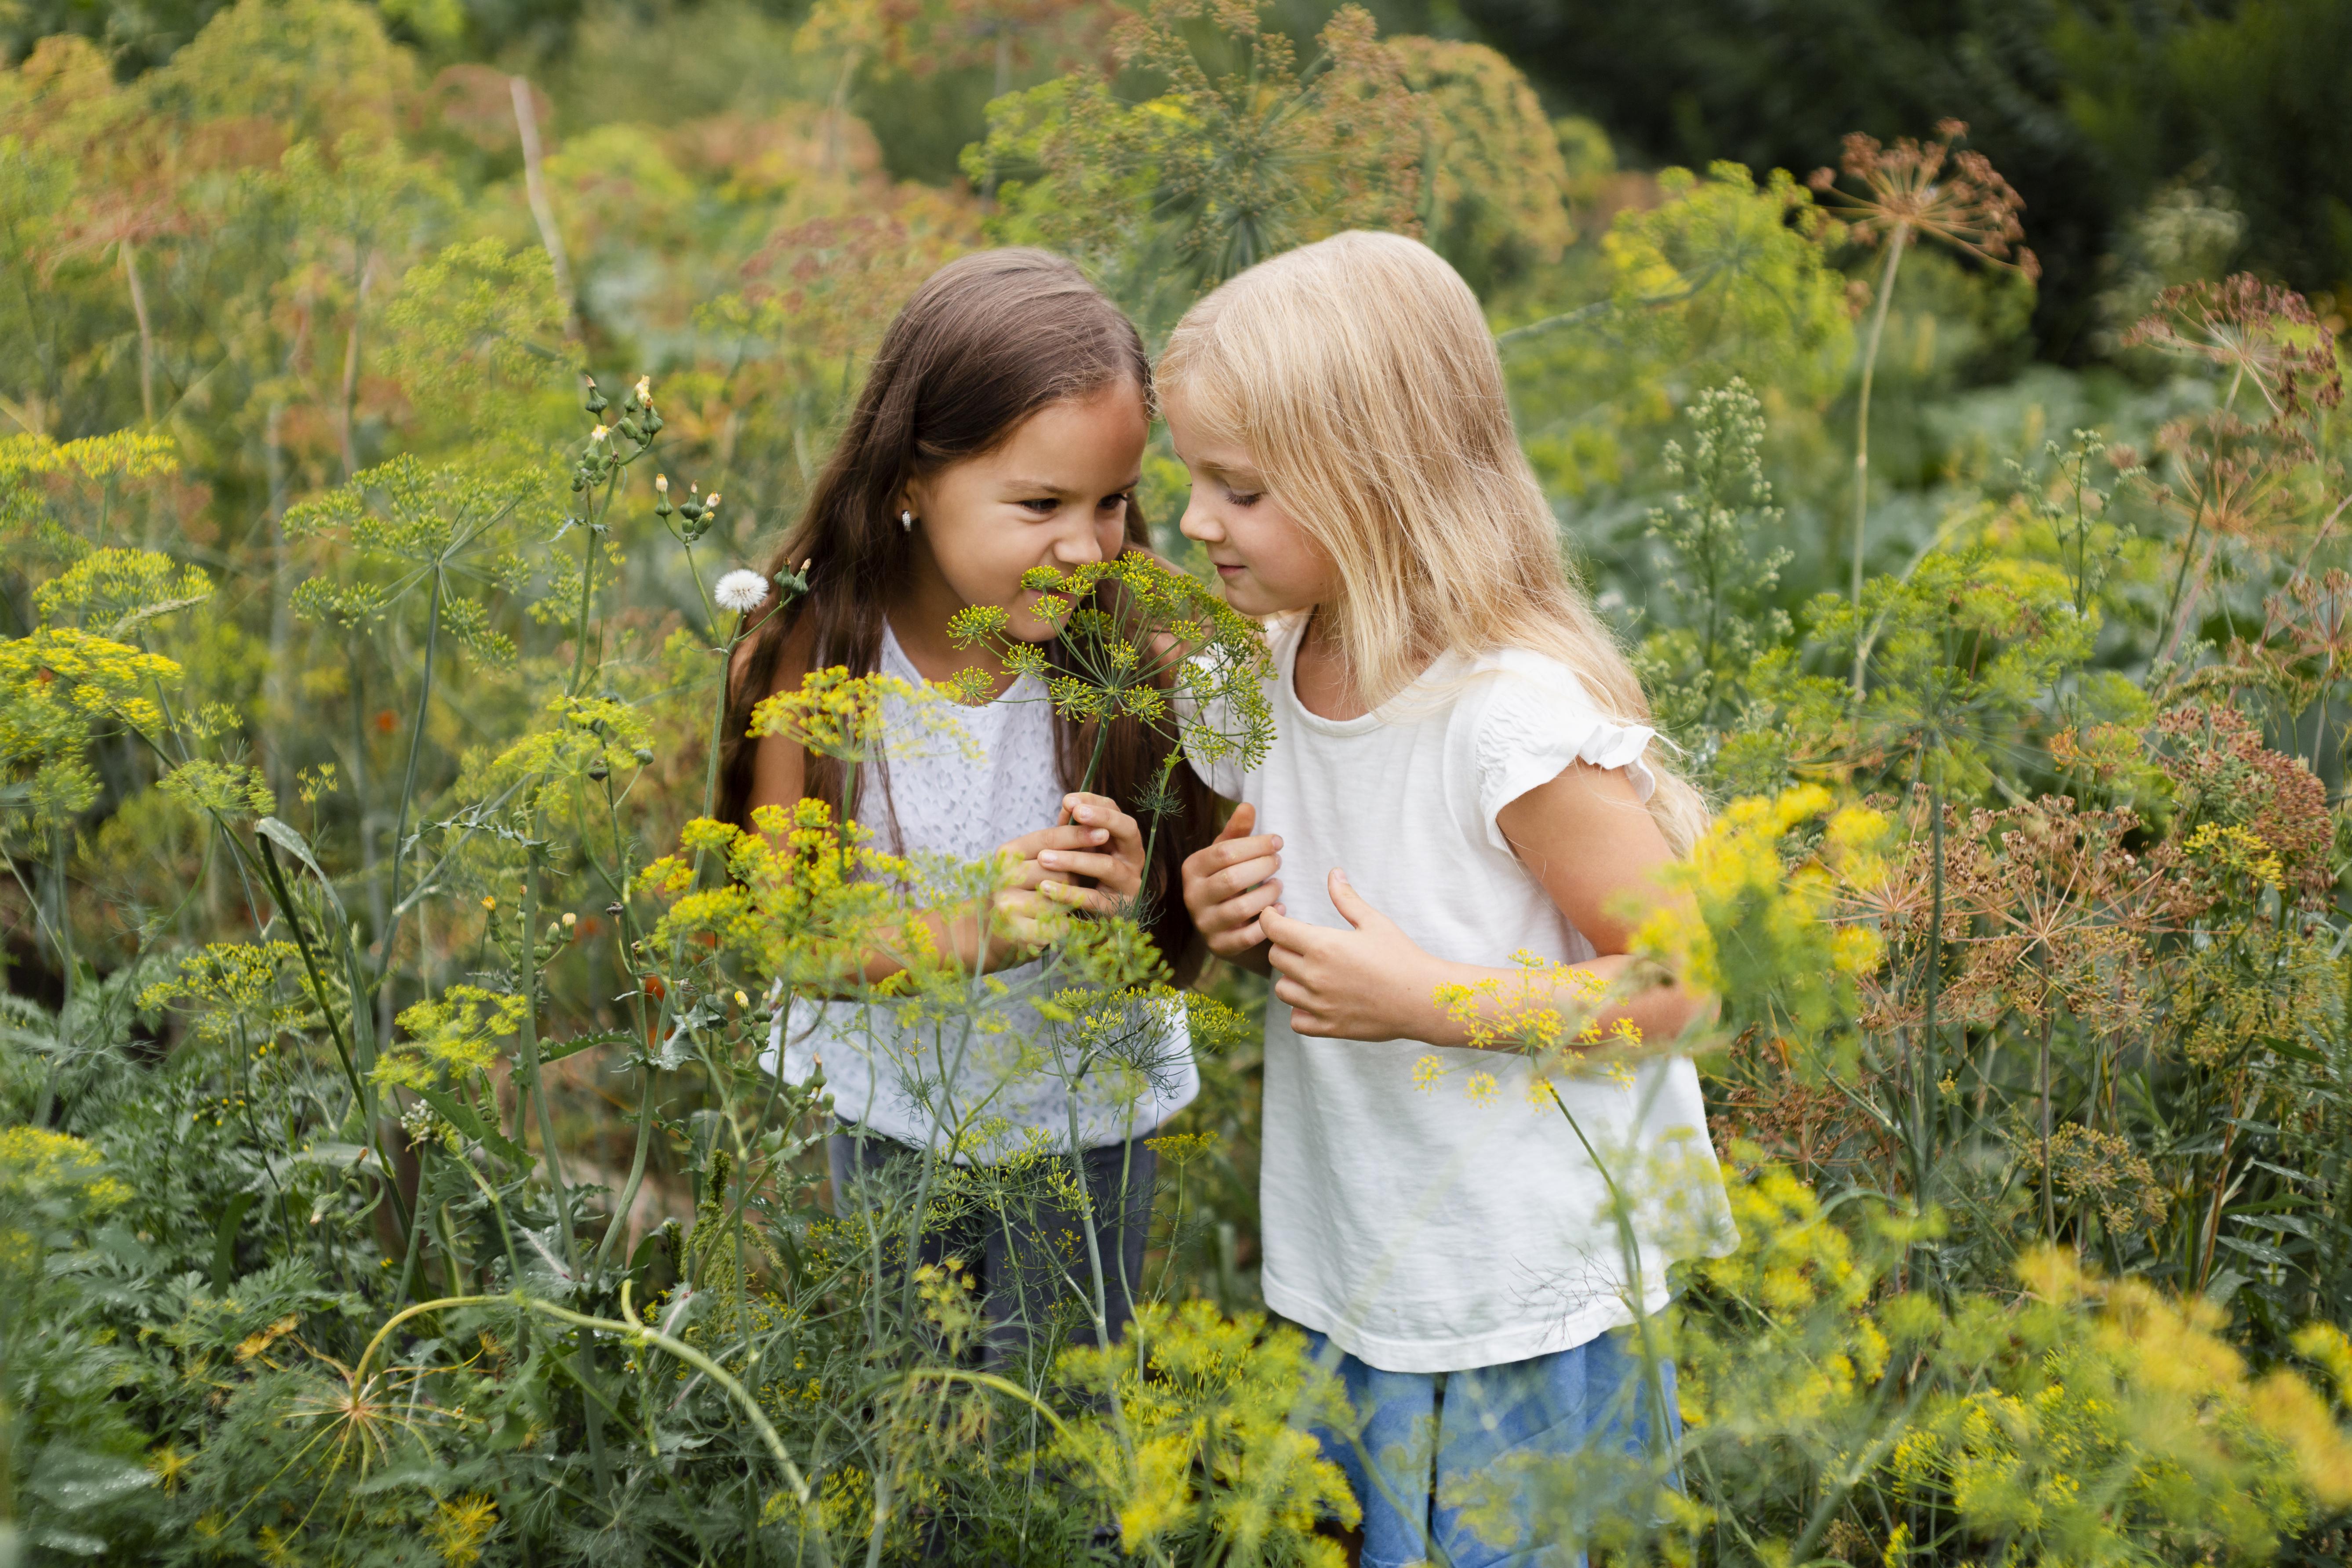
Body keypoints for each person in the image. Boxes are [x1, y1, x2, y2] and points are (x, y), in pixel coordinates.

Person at [1168, 231, 1737, 1568]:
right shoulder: (1258, 678)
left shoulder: (1507, 717)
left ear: (1376, 487)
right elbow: (1323, 938)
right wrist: (1224, 910)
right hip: (1364, 1251)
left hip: (1524, 1288)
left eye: (1240, 490)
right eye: (1190, 479)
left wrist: (1429, 1002)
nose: (1196, 522)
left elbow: (1682, 985)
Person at [720, 248, 1217, 1363]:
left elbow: (1193, 918)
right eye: (1040, 503)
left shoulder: (1135, 647)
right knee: (913, 1422)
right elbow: (786, 931)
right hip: (895, 1116)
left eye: (1115, 502)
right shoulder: (816, 650)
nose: (1086, 546)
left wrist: (1134, 887)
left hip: (1087, 1119)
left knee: (1064, 1429)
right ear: (908, 477)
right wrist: (978, 931)